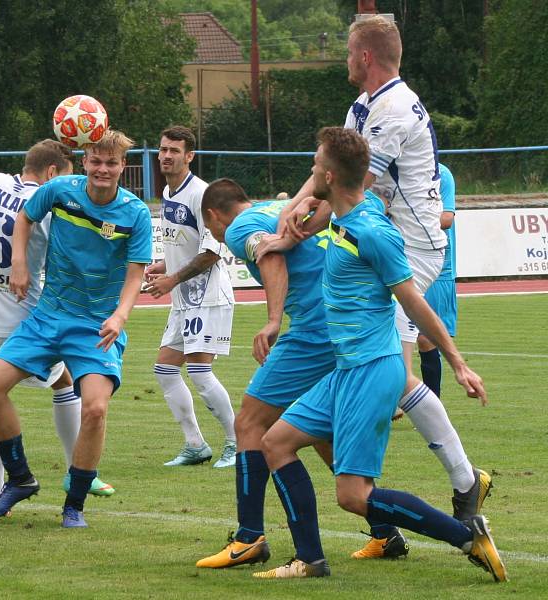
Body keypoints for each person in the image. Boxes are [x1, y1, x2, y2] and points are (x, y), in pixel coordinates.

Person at [256, 15, 489, 558]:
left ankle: (461, 484)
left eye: (346, 49)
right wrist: (292, 214)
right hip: (387, 237)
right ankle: (409, 513)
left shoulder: (392, 111)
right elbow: (327, 176)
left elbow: (357, 194)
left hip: (410, 245)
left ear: (364, 56)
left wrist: (290, 231)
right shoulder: (365, 105)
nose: (343, 57)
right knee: (384, 369)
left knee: (394, 369)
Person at [0, 129, 152, 528]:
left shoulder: (135, 213)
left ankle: (74, 504)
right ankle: (19, 480)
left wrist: (121, 315)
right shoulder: (59, 190)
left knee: (94, 408)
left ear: (123, 166)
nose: (102, 169)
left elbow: (135, 273)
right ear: (85, 160)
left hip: (96, 327)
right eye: (96, 161)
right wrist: (19, 262)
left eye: (111, 163)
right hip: (48, 316)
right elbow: (25, 217)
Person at [0, 139, 113, 500]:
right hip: (23, 317)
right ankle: (80, 469)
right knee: (65, 383)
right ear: (53, 173)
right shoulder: (52, 205)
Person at [194, 180, 337, 568]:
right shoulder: (273, 210)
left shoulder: (239, 227)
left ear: (213, 216)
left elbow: (268, 256)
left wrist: (273, 320)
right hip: (344, 324)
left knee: (250, 424)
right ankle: (383, 528)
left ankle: (248, 537)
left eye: (212, 232)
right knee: (321, 433)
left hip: (312, 332)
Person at [143, 126, 236, 468]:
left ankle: (236, 442)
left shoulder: (202, 194)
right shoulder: (169, 193)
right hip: (184, 299)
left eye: (174, 151)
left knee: (198, 371)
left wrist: (172, 279)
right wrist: (163, 265)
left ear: (190, 156)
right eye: (163, 149)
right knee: (165, 370)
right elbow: (188, 246)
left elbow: (211, 252)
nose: (166, 156)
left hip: (208, 297)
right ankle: (195, 444)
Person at [418, 164, 457, 397]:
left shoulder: (442, 174)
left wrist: (411, 221)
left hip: (438, 265)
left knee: (426, 338)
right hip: (403, 263)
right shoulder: (396, 172)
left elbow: (446, 219)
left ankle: (432, 406)